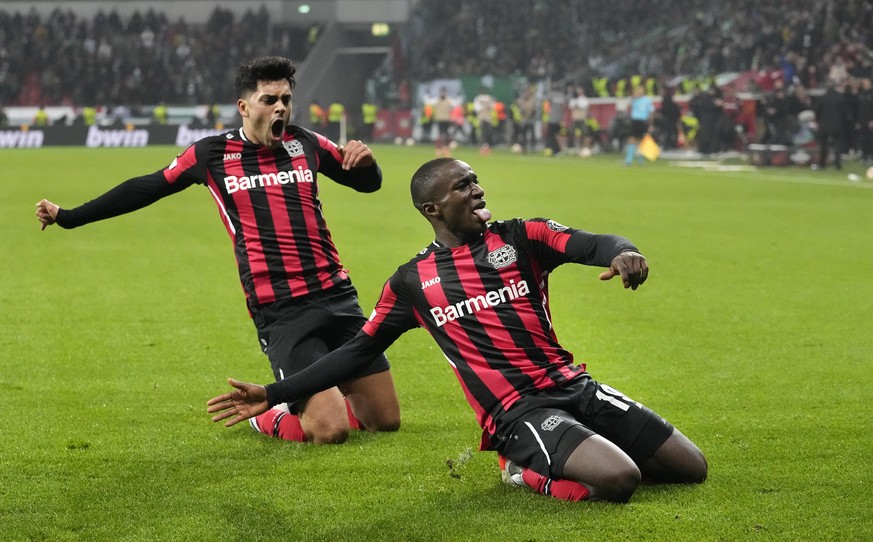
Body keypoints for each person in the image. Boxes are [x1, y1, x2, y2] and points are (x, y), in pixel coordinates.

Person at [207, 157, 708, 503]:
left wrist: (623, 252)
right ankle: (522, 470)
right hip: (517, 410)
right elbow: (358, 352)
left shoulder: (522, 236)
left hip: (574, 384)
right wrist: (275, 391)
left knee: (691, 469)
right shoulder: (412, 282)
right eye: (463, 186)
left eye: (475, 180)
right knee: (620, 479)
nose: (477, 190)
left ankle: (578, 441)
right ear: (433, 209)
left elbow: (593, 242)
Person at [36, 56, 401, 445]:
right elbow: (146, 187)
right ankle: (272, 415)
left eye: (286, 98)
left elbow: (367, 184)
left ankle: (314, 397)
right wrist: (70, 216)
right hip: (282, 308)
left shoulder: (305, 143)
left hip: (337, 296)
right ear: (244, 107)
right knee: (331, 431)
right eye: (269, 99)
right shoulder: (212, 155)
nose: (280, 107)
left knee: (385, 420)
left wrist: (367, 165)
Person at [625, 85, 654, 165]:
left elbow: (651, 112)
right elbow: (628, 107)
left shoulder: (647, 100)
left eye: (640, 91)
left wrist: (650, 123)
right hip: (635, 121)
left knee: (642, 141)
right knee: (631, 139)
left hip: (643, 121)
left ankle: (641, 159)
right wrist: (633, 98)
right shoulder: (634, 99)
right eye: (637, 91)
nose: (638, 92)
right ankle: (629, 159)